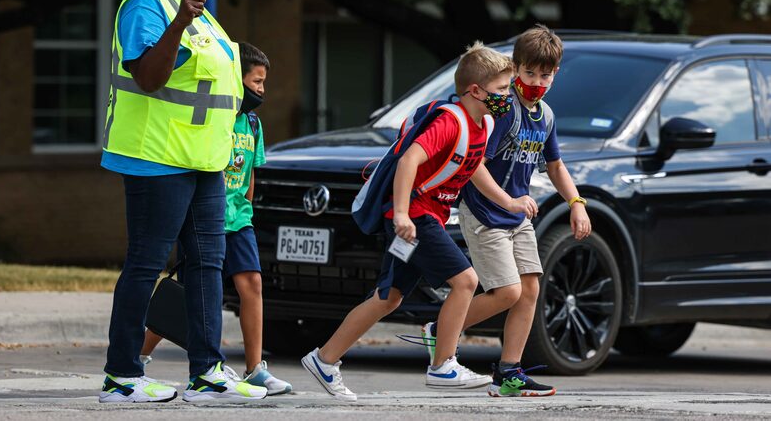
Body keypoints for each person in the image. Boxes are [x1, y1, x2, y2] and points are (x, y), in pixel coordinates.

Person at [97, 0, 266, 404]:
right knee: (146, 265)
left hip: (204, 161)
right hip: (156, 156)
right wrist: (178, 21)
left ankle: (206, 373)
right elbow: (149, 78)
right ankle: (121, 376)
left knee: (207, 265)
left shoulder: (203, 10)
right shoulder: (147, 3)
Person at [301, 42, 537, 401]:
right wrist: (398, 214)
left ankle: (324, 359)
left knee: (387, 297)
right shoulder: (450, 120)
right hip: (413, 214)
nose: (508, 95)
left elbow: (472, 169)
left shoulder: (483, 124)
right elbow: (410, 160)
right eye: (502, 89)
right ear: (476, 90)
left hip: (423, 217)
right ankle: (443, 365)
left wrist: (510, 201)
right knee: (465, 281)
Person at [441, 25, 591, 397]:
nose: (537, 82)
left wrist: (576, 204)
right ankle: (441, 330)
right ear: (515, 67)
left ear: (556, 73)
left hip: (517, 216)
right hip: (485, 212)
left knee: (529, 290)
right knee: (507, 292)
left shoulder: (547, 116)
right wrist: (506, 201)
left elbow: (555, 165)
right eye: (528, 73)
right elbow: (474, 163)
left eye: (546, 75)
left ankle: (509, 371)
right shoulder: (502, 109)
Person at [140, 42, 292, 395]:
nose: (261, 90)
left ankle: (255, 368)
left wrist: (247, 209)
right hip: (203, 218)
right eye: (256, 81)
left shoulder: (253, 123)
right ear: (234, 80)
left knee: (251, 283)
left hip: (238, 219)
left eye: (263, 82)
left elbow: (251, 171)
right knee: (191, 293)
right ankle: (139, 355)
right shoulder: (212, 114)